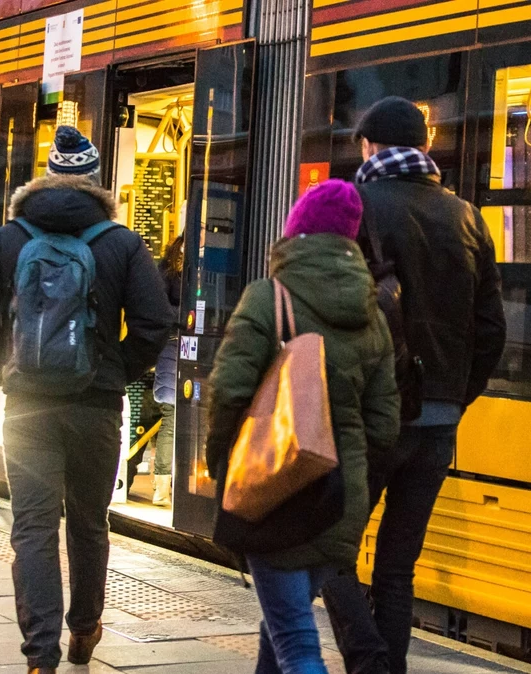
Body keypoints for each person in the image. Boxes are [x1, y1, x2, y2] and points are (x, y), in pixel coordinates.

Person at [0, 126, 172, 674]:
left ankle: (39, 656)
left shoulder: (9, 239)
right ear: (96, 182)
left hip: (26, 405)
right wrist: (115, 369)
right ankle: (85, 629)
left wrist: (4, 371)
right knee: (88, 520)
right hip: (96, 406)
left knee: (32, 524)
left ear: (48, 176)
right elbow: (153, 322)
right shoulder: (122, 243)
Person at [320, 96, 506, 674]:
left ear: (370, 147)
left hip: (369, 418)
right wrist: (454, 396)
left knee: (330, 550)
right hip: (438, 423)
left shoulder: (354, 206)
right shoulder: (467, 216)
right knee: (398, 569)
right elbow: (491, 328)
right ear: (424, 150)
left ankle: (370, 660)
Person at [205, 179, 400, 674]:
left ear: (296, 232)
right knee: (280, 627)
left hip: (276, 493)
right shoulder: (372, 312)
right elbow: (383, 425)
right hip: (338, 499)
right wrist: (350, 473)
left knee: (295, 643)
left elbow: (228, 392)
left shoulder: (269, 298)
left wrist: (222, 464)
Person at [152, 232, 185, 506]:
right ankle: (162, 486)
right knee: (172, 418)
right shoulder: (169, 270)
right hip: (174, 346)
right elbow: (159, 309)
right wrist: (188, 316)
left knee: (175, 419)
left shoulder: (170, 268)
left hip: (179, 347)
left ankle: (170, 485)